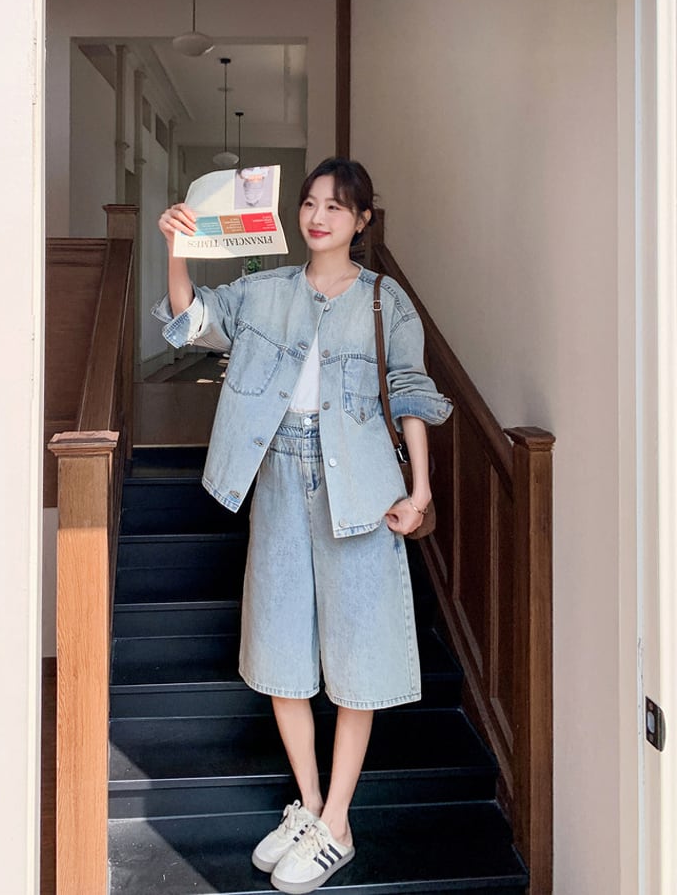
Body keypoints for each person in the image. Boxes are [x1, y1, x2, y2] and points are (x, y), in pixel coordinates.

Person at [153, 157, 453, 895]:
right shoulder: (264, 291)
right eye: (311, 203)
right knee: (280, 646)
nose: (318, 217)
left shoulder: (385, 301)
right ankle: (313, 808)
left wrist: (419, 491)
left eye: (336, 207)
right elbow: (191, 322)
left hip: (362, 486)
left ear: (362, 220)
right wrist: (176, 249)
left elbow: (410, 393)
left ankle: (338, 824)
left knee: (357, 654)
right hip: (280, 476)